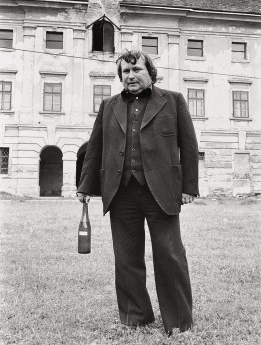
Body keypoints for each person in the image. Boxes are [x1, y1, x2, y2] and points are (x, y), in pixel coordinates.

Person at [77, 50, 199, 335]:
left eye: (136, 70)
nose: (130, 76)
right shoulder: (108, 106)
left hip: (162, 191)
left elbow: (189, 145)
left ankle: (179, 320)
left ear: (150, 73)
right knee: (127, 257)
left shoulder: (173, 100)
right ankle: (135, 316)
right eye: (125, 72)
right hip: (121, 192)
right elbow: (94, 148)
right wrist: (85, 186)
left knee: (170, 255)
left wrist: (189, 187)